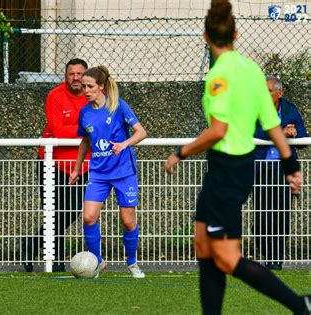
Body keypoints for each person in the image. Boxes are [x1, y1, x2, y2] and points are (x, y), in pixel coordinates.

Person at [164, 1, 310, 313]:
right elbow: (271, 121)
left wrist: (180, 153)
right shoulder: (252, 69)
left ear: (205, 36)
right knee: (203, 247)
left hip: (227, 173)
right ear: (236, 33)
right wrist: (291, 164)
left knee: (227, 257)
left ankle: (300, 305)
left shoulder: (219, 76)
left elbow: (218, 130)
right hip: (233, 170)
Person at [69, 65, 147, 278]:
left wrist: (124, 144)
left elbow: (141, 132)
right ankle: (97, 263)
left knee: (128, 221)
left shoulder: (118, 106)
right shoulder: (85, 112)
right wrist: (77, 168)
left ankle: (132, 263)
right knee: (88, 218)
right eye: (83, 86)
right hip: (98, 174)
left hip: (123, 172)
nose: (85, 90)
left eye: (90, 86)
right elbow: (85, 141)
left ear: (101, 87)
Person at [23, 58, 90, 272]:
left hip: (82, 165)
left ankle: (32, 243)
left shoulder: (93, 95)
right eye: (72, 74)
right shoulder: (55, 96)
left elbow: (100, 125)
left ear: (86, 75)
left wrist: (78, 128)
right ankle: (57, 260)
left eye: (79, 74)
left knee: (71, 211)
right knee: (54, 210)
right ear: (66, 76)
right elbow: (58, 131)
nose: (76, 78)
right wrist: (86, 129)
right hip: (52, 162)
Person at [253, 76, 308, 271]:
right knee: (261, 216)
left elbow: (304, 137)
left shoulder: (290, 109)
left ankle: (275, 259)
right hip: (261, 168)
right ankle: (265, 251)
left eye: (268, 91)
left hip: (284, 169)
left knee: (281, 214)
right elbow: (253, 132)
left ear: (279, 93)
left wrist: (294, 134)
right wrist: (279, 132)